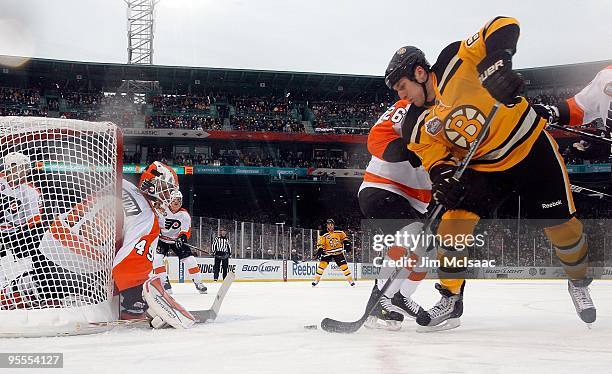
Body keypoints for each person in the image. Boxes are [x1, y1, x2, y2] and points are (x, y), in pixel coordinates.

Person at [384, 16, 595, 330]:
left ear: (419, 72)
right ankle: (451, 298)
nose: (403, 96)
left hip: (529, 148)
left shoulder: (455, 60)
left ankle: (578, 281)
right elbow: (435, 159)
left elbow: (503, 24)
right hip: (485, 167)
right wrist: (442, 181)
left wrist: (498, 61)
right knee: (451, 226)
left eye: (403, 87)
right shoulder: (414, 123)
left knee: (563, 229)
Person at [358, 100, 432, 329]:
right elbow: (378, 137)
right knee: (411, 234)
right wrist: (407, 148)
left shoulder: (462, 120)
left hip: (418, 201)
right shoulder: (412, 105)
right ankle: (381, 299)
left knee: (427, 250)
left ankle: (399, 296)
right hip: (383, 186)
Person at [152, 190, 207, 294]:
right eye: (174, 200)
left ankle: (198, 283)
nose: (176, 202)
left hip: (176, 240)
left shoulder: (184, 215)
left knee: (190, 260)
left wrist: (181, 238)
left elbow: (186, 230)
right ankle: (164, 283)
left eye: (179, 200)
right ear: (170, 201)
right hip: (162, 240)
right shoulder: (161, 209)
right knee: (157, 259)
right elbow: (153, 218)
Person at [312, 219, 354, 287]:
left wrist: (347, 243)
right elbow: (320, 243)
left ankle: (350, 280)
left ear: (333, 225)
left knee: (344, 267)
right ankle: (316, 280)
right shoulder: (323, 233)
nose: (330, 226)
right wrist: (320, 249)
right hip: (327, 252)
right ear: (327, 225)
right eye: (329, 224)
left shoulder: (339, 231)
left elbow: (344, 238)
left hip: (338, 252)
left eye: (332, 224)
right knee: (321, 266)